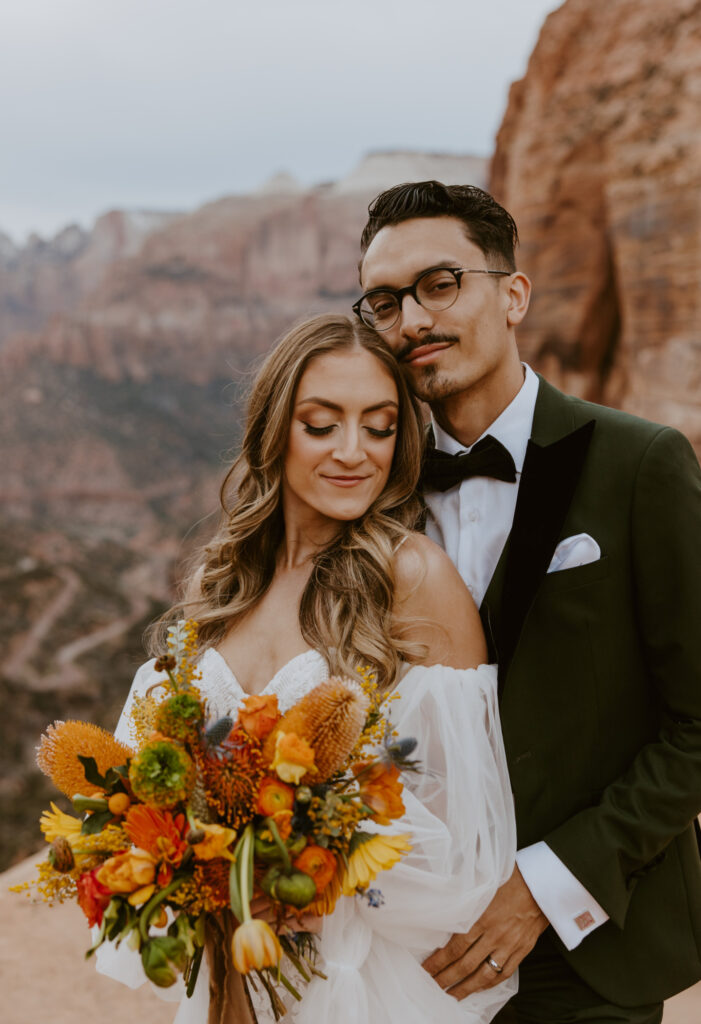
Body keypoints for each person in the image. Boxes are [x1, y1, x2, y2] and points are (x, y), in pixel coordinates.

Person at [97, 313, 517, 1023]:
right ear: (273, 431)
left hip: (354, 986)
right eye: (321, 425)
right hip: (228, 973)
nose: (353, 452)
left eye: (379, 427)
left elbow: (465, 842)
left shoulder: (412, 574)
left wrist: (318, 878)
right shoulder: (226, 579)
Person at [353, 180, 701, 1024]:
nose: (411, 321)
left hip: (588, 950)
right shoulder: (364, 491)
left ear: (513, 295)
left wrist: (545, 887)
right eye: (384, 302)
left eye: (440, 284)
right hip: (406, 954)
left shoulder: (641, 463)